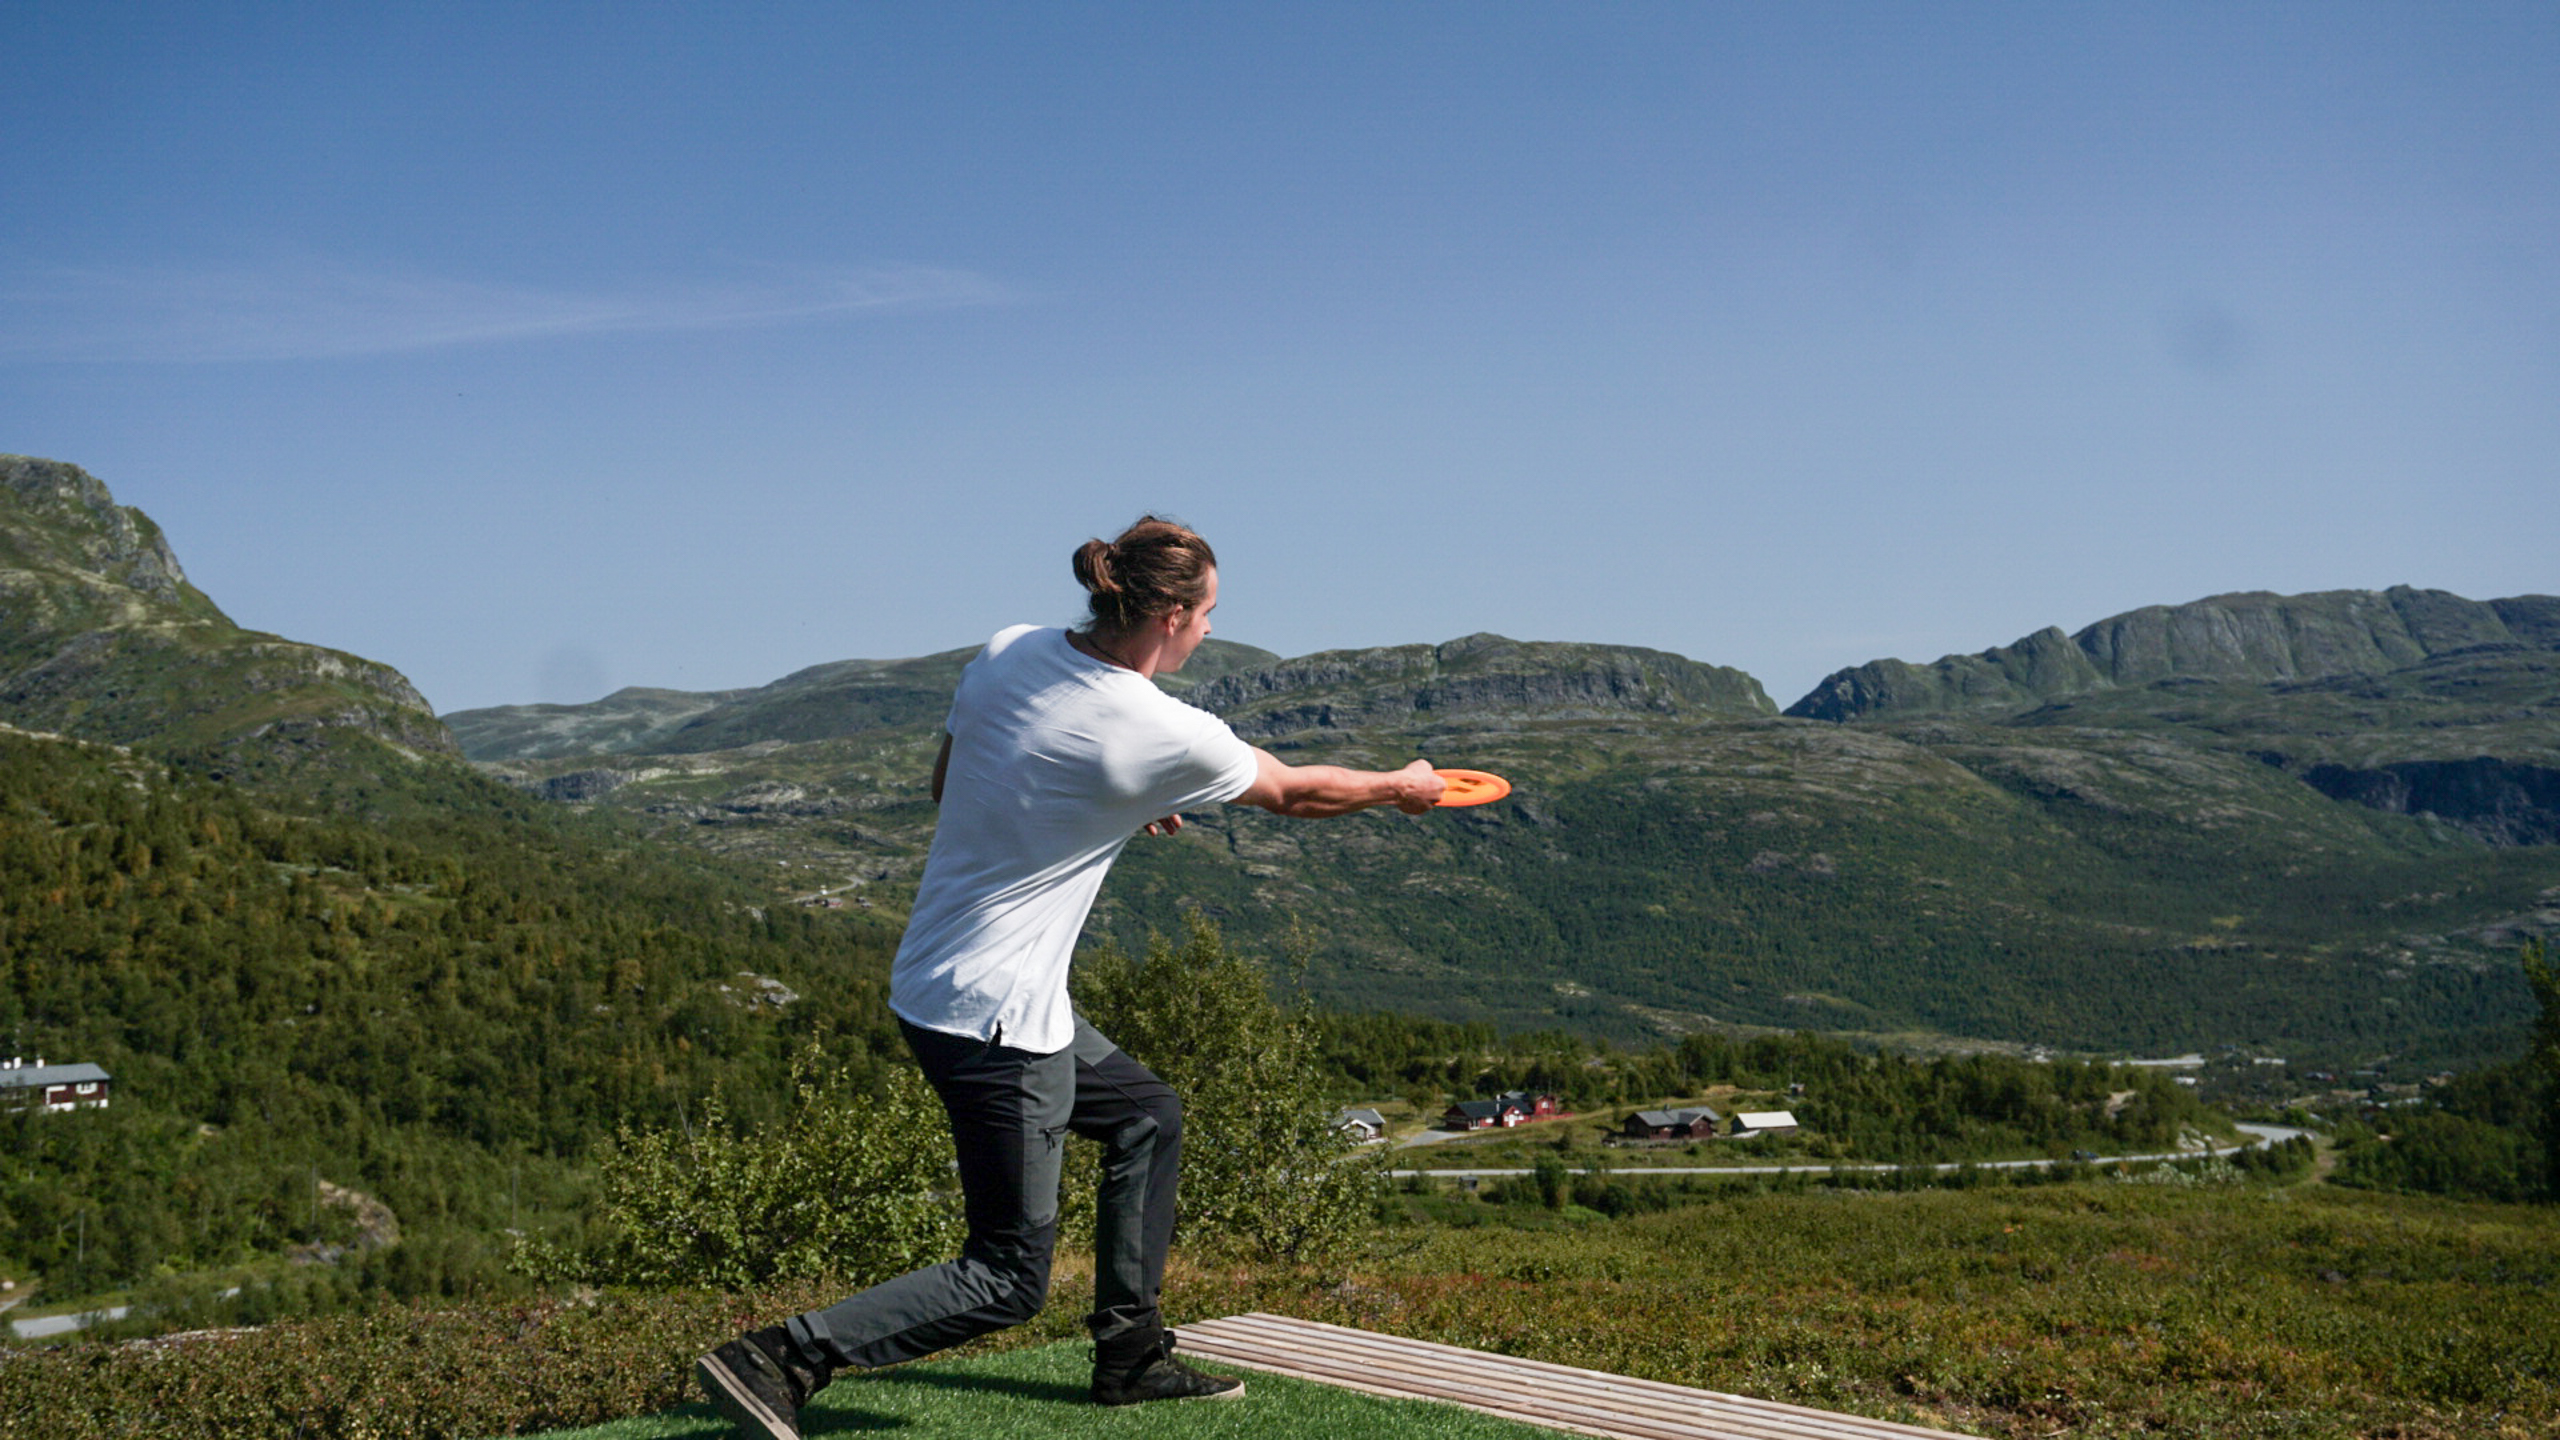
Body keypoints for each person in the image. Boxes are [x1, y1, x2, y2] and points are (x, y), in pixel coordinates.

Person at [696, 516, 1445, 1440]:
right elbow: (1294, 792)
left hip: (935, 983)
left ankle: (1131, 1356)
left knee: (1147, 1114)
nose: (1212, 628)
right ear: (1170, 616)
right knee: (1006, 1277)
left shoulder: (1008, 652)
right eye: (1208, 612)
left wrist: (1102, 802)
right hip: (997, 1021)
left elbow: (954, 783)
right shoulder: (1161, 728)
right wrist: (1403, 785)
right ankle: (780, 1357)